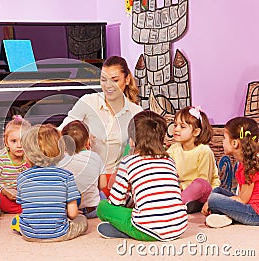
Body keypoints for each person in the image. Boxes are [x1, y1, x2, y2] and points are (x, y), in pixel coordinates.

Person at [96, 111, 188, 241]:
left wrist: (125, 200)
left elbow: (115, 201)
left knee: (103, 207)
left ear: (132, 141)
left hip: (150, 228)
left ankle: (126, 231)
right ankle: (128, 228)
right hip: (179, 227)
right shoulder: (169, 161)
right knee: (137, 204)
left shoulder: (128, 162)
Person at [59, 56, 143, 197]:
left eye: (115, 80)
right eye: (104, 80)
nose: (108, 86)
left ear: (127, 79)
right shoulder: (88, 101)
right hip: (85, 176)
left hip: (116, 180)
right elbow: (61, 131)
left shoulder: (136, 112)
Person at [13, 124, 88, 242]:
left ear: (28, 154)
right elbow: (73, 214)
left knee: (23, 218)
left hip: (29, 234)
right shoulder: (66, 176)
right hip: (59, 233)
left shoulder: (22, 177)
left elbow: (23, 206)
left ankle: (20, 225)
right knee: (82, 220)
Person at [202, 117, 259, 228]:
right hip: (248, 206)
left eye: (224, 138)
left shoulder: (250, 166)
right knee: (217, 190)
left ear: (234, 143)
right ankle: (227, 217)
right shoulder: (244, 163)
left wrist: (211, 202)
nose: (222, 142)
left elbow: (243, 200)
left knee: (214, 199)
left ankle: (228, 215)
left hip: (254, 214)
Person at [167, 106, 220, 213]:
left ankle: (174, 205)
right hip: (181, 190)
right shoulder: (174, 149)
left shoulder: (204, 151)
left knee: (199, 184)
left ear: (196, 132)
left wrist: (182, 187)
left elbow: (205, 181)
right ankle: (182, 203)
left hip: (203, 192)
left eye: (182, 127)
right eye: (175, 125)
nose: (176, 129)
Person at [58, 120, 106, 218]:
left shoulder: (60, 159)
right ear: (87, 141)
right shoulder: (95, 157)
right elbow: (103, 184)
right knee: (102, 195)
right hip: (92, 210)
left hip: (70, 209)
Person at [0, 115, 31, 214]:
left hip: (22, 193)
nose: (19, 146)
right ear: (6, 142)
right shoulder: (0, 159)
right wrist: (5, 191)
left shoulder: (30, 157)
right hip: (4, 192)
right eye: (14, 141)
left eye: (23, 141)